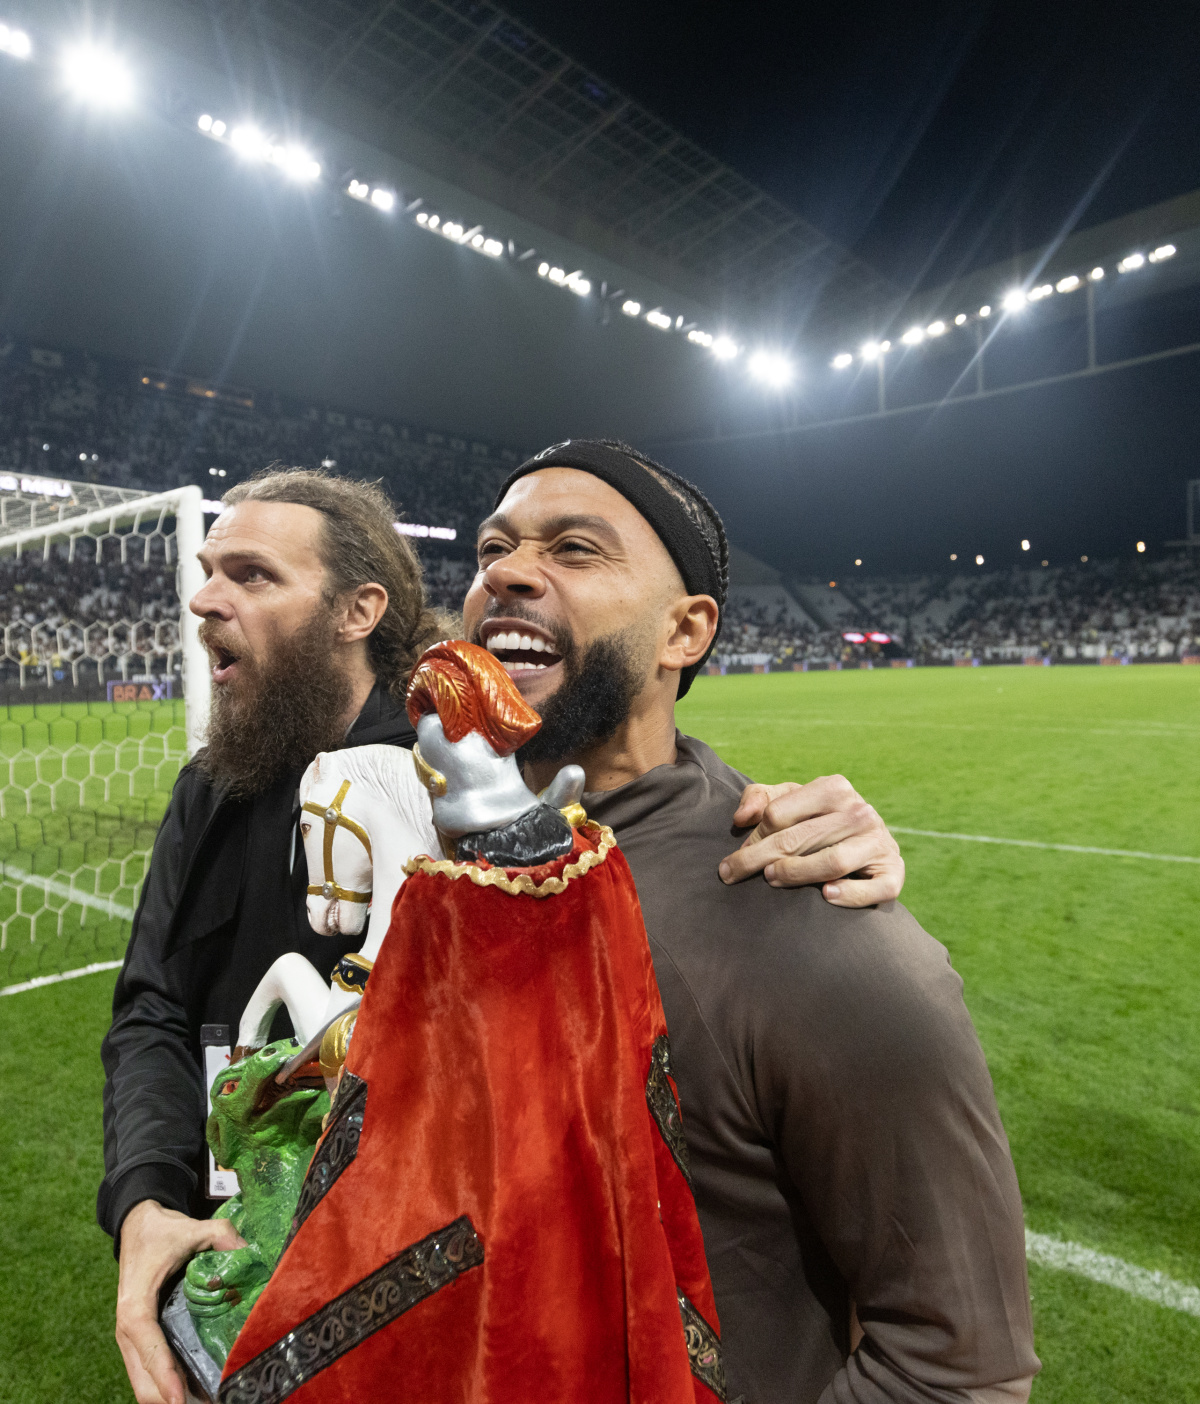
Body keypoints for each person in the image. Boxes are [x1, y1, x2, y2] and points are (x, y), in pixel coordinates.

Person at [102, 467, 905, 1404]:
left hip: (413, 1283)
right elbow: (151, 1008)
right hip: (223, 1251)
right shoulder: (209, 789)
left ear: (360, 609)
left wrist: (823, 822)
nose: (203, 599)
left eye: (251, 574)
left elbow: (624, 812)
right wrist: (147, 1204)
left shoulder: (477, 773)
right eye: (208, 570)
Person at [462, 439, 1039, 1403]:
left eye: (573, 550)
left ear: (683, 633)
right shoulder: (443, 849)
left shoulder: (813, 927)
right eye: (493, 549)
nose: (508, 573)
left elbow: (956, 1372)